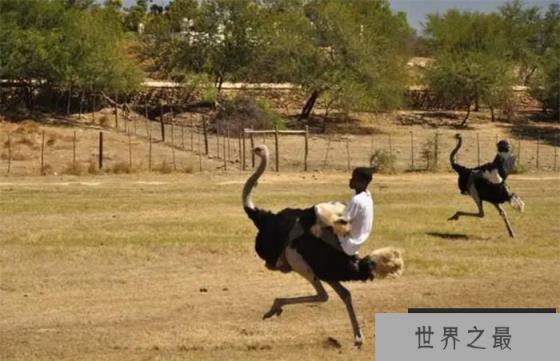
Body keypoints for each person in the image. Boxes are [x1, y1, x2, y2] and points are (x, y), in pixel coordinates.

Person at [320, 167, 375, 261]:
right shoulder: (366, 195)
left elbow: (341, 223)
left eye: (354, 178)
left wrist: (326, 220)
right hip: (358, 239)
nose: (350, 180)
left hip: (349, 243)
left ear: (362, 182)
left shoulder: (357, 200)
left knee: (318, 231)